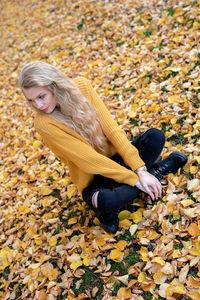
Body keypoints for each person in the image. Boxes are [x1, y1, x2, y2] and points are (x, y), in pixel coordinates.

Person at [18, 61, 187, 233]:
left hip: (118, 161)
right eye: (31, 100)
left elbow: (112, 130)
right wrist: (135, 178)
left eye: (41, 96)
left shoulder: (81, 87)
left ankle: (145, 179)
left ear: (55, 86)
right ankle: (155, 173)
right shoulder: (44, 123)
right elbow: (89, 161)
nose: (38, 106)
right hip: (94, 178)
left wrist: (139, 169)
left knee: (155, 137)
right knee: (107, 200)